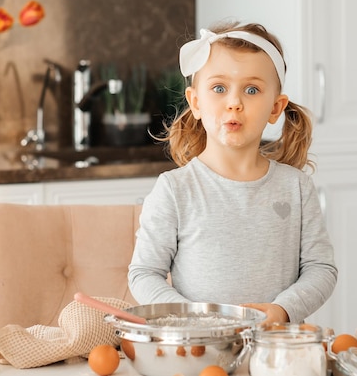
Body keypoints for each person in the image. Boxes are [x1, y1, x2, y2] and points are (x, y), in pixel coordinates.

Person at [127, 21, 337, 324]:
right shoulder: (174, 189)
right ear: (196, 102)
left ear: (276, 108)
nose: (234, 103)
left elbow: (321, 269)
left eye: (252, 90)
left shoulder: (297, 187)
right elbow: (144, 274)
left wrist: (284, 310)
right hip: (200, 350)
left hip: (274, 351)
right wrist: (189, 317)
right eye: (219, 88)